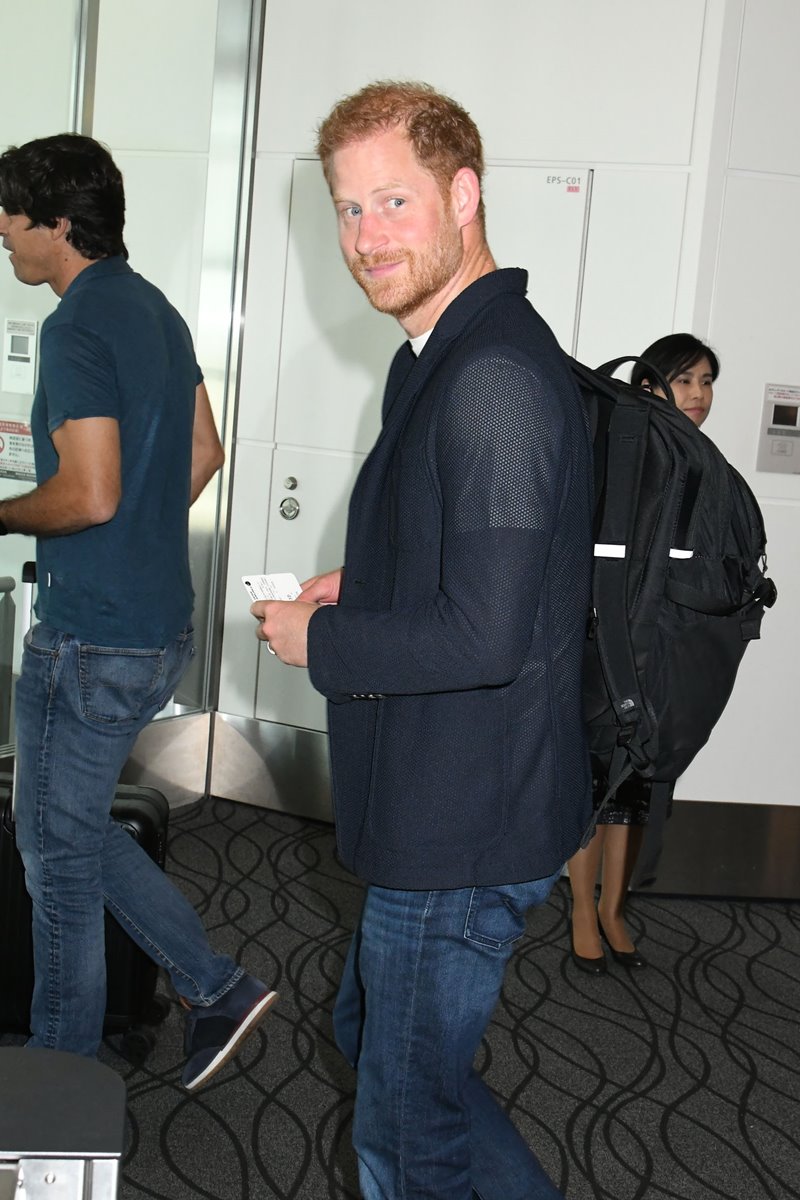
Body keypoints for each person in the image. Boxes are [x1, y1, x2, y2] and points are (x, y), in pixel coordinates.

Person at [251, 81, 593, 1199]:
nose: (365, 237)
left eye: (392, 201)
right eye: (348, 211)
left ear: (464, 193)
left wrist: (323, 640)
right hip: (449, 804)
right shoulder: (442, 353)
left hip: (461, 829)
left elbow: (485, 635)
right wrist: (366, 580)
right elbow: (492, 559)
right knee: (386, 1050)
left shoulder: (488, 375)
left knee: (403, 1140)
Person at [0, 134, 276, 1087]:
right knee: (62, 833)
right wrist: (138, 536)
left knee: (55, 860)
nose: (1, 231)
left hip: (90, 634)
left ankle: (60, 1065)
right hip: (155, 623)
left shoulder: (76, 327)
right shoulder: (153, 308)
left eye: (11, 213)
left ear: (58, 226)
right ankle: (214, 986)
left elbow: (88, 495)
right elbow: (204, 449)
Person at [567, 333, 719, 974]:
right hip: (607, 635)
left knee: (639, 778)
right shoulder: (622, 443)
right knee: (596, 779)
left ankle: (613, 908)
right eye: (685, 380)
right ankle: (581, 908)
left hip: (664, 639)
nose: (699, 395)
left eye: (707, 382)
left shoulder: (702, 456)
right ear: (650, 384)